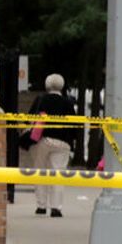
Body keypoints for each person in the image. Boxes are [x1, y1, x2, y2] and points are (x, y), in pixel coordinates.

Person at [29, 74, 79, 218]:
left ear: (47, 85)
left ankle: (41, 206)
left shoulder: (40, 100)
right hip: (62, 142)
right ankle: (56, 208)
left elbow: (30, 119)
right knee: (58, 173)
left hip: (41, 140)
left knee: (40, 171)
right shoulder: (68, 103)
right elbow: (74, 125)